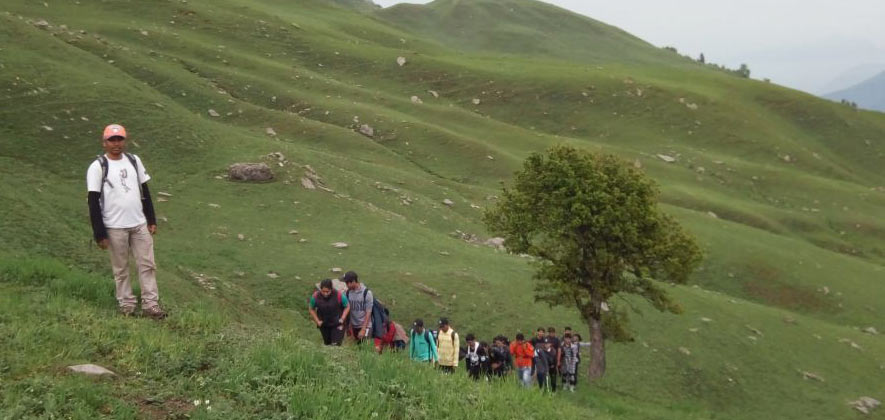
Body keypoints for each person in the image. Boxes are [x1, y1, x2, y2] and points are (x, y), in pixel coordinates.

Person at [87, 124, 166, 319]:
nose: (116, 144)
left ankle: (151, 305)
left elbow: (144, 191)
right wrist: (100, 233)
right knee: (121, 268)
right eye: (112, 140)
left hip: (139, 224)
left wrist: (151, 219)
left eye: (119, 139)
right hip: (114, 227)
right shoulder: (98, 167)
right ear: (104, 142)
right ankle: (127, 305)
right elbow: (93, 201)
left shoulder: (133, 160)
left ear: (125, 140)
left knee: (147, 264)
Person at [343, 271, 381, 349]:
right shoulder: (347, 293)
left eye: (347, 283)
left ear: (353, 281)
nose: (346, 285)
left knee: (365, 349)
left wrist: (363, 329)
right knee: (355, 349)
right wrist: (349, 328)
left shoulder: (367, 293)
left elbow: (368, 312)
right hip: (354, 326)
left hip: (366, 326)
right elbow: (347, 311)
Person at [308, 279, 350, 346]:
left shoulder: (339, 295)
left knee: (336, 344)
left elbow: (347, 306)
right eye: (323, 291)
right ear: (320, 289)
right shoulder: (315, 296)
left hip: (338, 323)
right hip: (324, 323)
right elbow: (311, 309)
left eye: (327, 291)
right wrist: (317, 321)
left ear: (331, 289)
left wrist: (342, 318)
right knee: (327, 344)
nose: (325, 293)